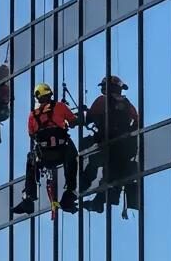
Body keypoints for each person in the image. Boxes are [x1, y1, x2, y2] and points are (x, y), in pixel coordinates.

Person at [12, 84, 79, 215]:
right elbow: (73, 121)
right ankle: (70, 192)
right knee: (73, 155)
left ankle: (29, 197)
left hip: (45, 156)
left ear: (38, 98)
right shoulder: (60, 106)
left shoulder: (32, 115)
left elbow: (32, 134)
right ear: (50, 94)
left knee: (31, 160)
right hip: (63, 152)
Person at [79, 76, 141, 213]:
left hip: (110, 146)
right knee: (113, 175)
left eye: (104, 86)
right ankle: (99, 202)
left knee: (93, 161)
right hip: (125, 149)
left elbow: (88, 118)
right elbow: (137, 123)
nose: (102, 89)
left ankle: (82, 187)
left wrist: (84, 114)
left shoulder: (103, 101)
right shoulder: (128, 105)